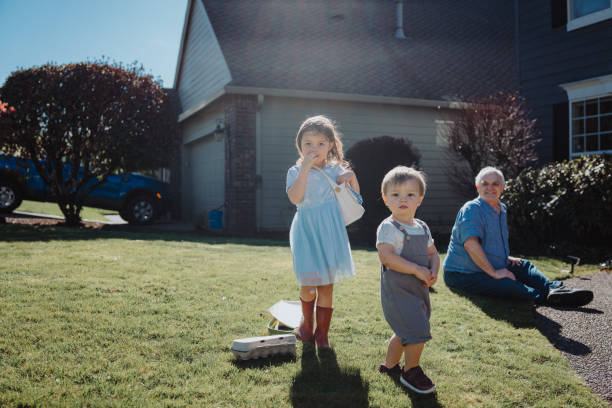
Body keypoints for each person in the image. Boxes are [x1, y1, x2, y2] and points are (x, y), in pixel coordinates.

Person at [443, 166, 593, 307]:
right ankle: (545, 297)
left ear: (503, 187)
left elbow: (490, 243)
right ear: (478, 187)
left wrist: (504, 259)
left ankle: (555, 289)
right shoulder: (472, 209)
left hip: (487, 264)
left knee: (524, 266)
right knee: (506, 284)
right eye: (485, 184)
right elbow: (471, 245)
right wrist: (495, 273)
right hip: (463, 274)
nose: (490, 188)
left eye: (495, 184)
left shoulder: (502, 209)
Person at [286, 115, 361, 349]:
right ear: (300, 146)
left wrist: (352, 178)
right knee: (308, 282)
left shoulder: (335, 170)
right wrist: (305, 169)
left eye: (320, 143)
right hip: (307, 232)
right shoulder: (295, 171)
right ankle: (306, 325)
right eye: (308, 143)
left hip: (330, 232)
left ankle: (322, 334)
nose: (314, 148)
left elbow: (356, 200)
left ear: (330, 145)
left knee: (326, 285)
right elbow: (295, 198)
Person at [376, 166, 439, 394]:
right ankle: (411, 371)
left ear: (419, 199)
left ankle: (390, 366)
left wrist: (433, 270)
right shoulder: (389, 227)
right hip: (398, 290)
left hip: (418, 289)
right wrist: (415, 269)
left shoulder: (421, 227)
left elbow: (433, 253)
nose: (403, 199)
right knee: (417, 329)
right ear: (386, 199)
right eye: (396, 195)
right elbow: (387, 257)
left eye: (410, 194)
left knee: (405, 331)